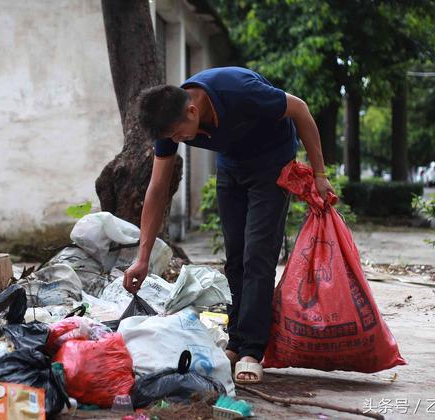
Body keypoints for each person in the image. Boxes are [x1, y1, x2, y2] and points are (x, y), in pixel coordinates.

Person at [124, 66, 334, 384]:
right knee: (235, 257)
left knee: (258, 255)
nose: (177, 141)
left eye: (179, 135)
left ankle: (252, 350)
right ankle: (235, 342)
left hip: (272, 164)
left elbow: (300, 109)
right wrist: (142, 258)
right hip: (231, 165)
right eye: (171, 138)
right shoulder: (169, 118)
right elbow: (157, 189)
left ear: (192, 111)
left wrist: (319, 174)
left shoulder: (240, 92)